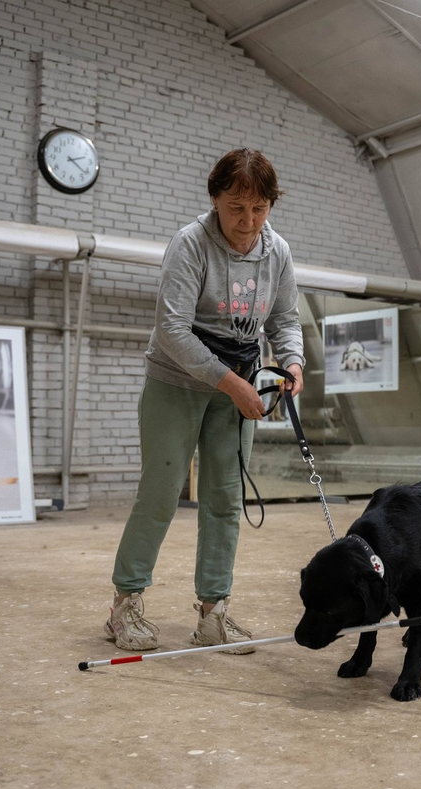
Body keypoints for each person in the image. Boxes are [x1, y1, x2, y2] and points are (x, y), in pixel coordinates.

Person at [104, 148, 305, 654]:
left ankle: (213, 613)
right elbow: (171, 329)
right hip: (177, 381)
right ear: (215, 199)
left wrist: (293, 363)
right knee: (161, 493)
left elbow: (283, 319)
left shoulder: (275, 251)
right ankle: (124, 605)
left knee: (225, 500)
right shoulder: (191, 244)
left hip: (235, 383)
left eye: (259, 209)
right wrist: (232, 384)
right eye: (236, 208)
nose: (248, 221)